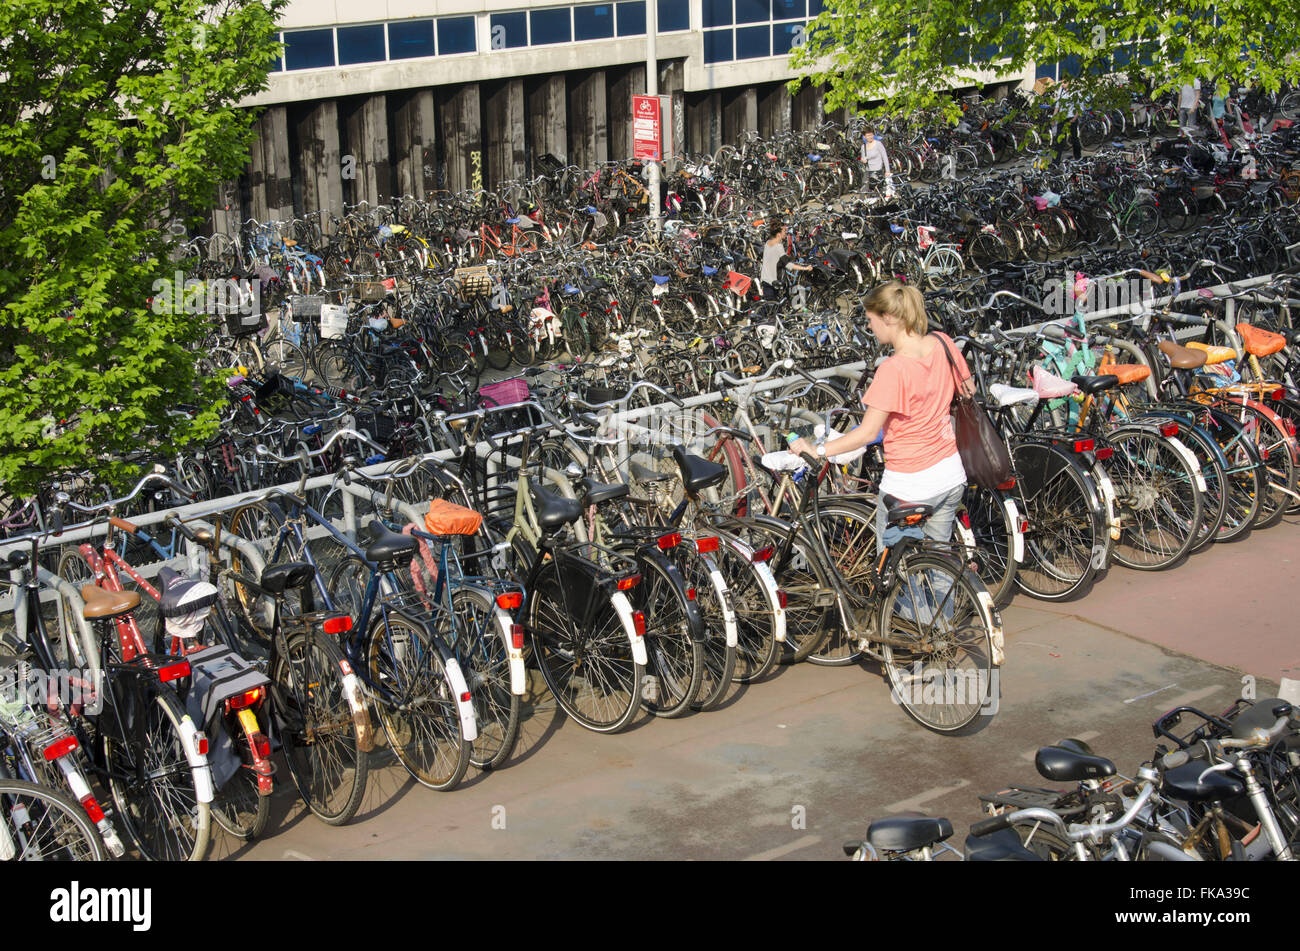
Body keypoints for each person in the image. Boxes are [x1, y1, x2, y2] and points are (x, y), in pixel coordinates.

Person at [789, 281, 975, 550]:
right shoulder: (943, 342)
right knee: (939, 561)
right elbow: (968, 390)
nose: (869, 327)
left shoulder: (894, 369)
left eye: (870, 319)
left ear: (887, 318)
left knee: (893, 575)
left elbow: (865, 433)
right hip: (950, 473)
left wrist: (817, 450)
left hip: (909, 486)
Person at [759, 220, 812, 300]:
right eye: (784, 231)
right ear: (778, 234)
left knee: (769, 306)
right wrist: (805, 268)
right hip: (773, 281)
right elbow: (788, 265)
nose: (786, 233)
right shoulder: (778, 246)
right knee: (774, 306)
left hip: (765, 279)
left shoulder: (767, 243)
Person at [860, 128, 894, 196]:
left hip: (878, 172)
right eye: (868, 135)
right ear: (864, 137)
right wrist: (863, 160)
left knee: (879, 193)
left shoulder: (878, 144)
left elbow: (885, 157)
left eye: (871, 135)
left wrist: (887, 171)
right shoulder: (863, 147)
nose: (870, 137)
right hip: (868, 172)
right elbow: (863, 158)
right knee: (864, 193)